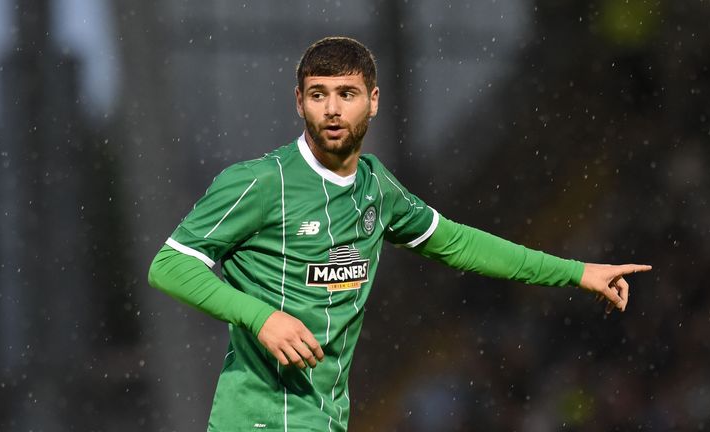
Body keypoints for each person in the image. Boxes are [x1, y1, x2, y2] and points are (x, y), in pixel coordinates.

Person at [148, 36, 651, 431]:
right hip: (255, 420)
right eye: (318, 95)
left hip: (323, 418)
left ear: (373, 100)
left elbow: (457, 243)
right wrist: (261, 318)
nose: (332, 110)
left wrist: (575, 271)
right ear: (298, 102)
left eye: (346, 94)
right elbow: (169, 265)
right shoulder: (260, 182)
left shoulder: (376, 187)